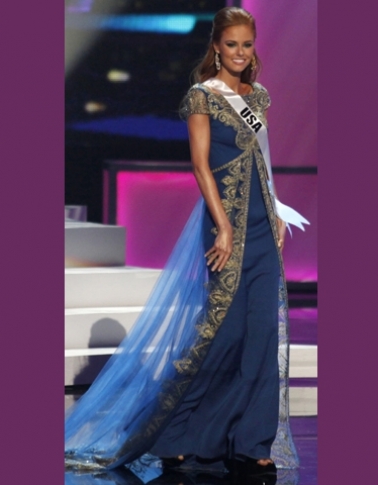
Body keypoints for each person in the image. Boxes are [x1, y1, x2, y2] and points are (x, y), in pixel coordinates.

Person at [64, 7, 307, 475]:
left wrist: (276, 210)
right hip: (226, 226)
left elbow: (263, 162)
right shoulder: (203, 98)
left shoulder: (257, 96)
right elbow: (200, 166)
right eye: (231, 44)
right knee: (223, 331)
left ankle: (250, 439)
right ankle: (179, 433)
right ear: (217, 46)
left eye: (247, 45)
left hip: (261, 225)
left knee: (262, 335)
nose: (239, 53)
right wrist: (224, 226)